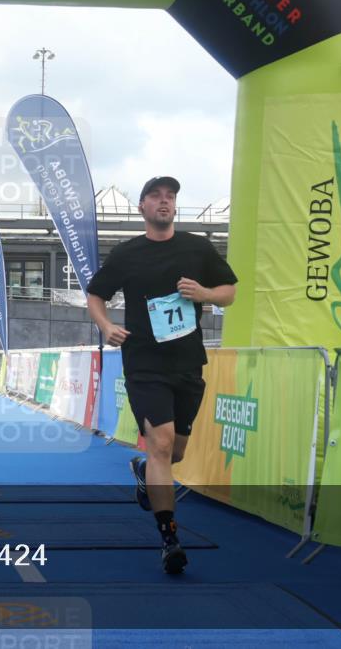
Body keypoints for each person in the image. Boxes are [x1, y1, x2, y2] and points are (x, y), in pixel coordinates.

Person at [85, 175, 237, 575]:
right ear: (142, 208)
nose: (165, 201)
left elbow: (229, 291)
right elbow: (95, 294)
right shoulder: (127, 254)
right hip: (144, 362)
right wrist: (105, 325)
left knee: (176, 453)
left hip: (187, 363)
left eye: (170, 197)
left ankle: (142, 470)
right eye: (156, 196)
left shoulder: (197, 247)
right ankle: (169, 538)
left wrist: (204, 294)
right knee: (162, 444)